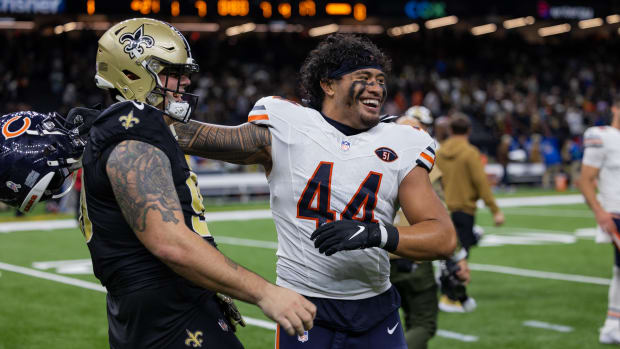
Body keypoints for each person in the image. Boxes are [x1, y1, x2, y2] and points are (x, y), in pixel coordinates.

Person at [172, 33, 456, 348]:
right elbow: (201, 137)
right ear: (328, 84)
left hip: (376, 308)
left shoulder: (401, 141)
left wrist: (376, 234)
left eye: (380, 79)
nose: (376, 87)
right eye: (363, 78)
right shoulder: (287, 124)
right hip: (304, 307)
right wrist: (131, 117)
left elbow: (443, 237)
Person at [79, 18, 315, 348]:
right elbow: (170, 242)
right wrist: (265, 293)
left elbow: (237, 143)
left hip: (165, 310)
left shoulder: (139, 128)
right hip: (167, 320)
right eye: (174, 72)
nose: (186, 81)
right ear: (134, 73)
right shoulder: (131, 142)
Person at [435, 114, 504, 312]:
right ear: (469, 131)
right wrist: (495, 210)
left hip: (443, 208)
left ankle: (448, 292)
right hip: (464, 209)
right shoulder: (470, 153)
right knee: (461, 255)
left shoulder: (439, 153)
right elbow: (481, 183)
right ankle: (451, 297)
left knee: (448, 252)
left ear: (450, 130)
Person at [577, 99, 620, 345]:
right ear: (615, 108)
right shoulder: (602, 136)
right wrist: (599, 211)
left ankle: (612, 325)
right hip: (615, 213)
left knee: (619, 272)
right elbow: (585, 180)